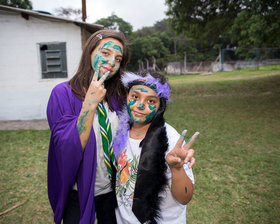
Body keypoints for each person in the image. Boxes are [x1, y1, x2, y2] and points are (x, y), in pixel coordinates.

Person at [47, 29, 129, 224]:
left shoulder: (118, 96)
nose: (111, 62)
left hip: (111, 190)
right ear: (90, 52)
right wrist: (89, 104)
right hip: (78, 190)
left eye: (118, 59)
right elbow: (66, 147)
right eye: (106, 53)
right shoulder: (62, 94)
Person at [112, 69, 198, 223]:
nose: (140, 105)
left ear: (160, 106)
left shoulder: (171, 140)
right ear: (127, 96)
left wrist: (177, 168)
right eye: (135, 97)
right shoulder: (120, 130)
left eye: (151, 101)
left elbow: (185, 198)